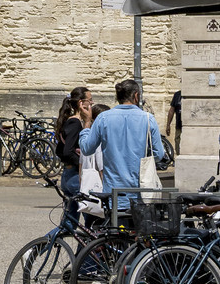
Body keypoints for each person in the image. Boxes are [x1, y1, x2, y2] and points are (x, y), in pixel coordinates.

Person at [79, 77, 167, 213]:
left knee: (116, 230)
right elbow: (159, 154)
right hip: (141, 192)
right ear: (136, 96)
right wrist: (144, 162)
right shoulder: (148, 119)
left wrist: (86, 125)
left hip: (114, 192)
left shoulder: (103, 118)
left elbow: (86, 148)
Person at [55, 86, 94, 219]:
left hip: (68, 175)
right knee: (91, 221)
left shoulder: (70, 121)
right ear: (81, 103)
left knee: (69, 223)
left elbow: (59, 150)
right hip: (74, 177)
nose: (92, 103)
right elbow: (66, 152)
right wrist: (81, 163)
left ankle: (51, 240)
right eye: (90, 100)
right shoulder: (75, 123)